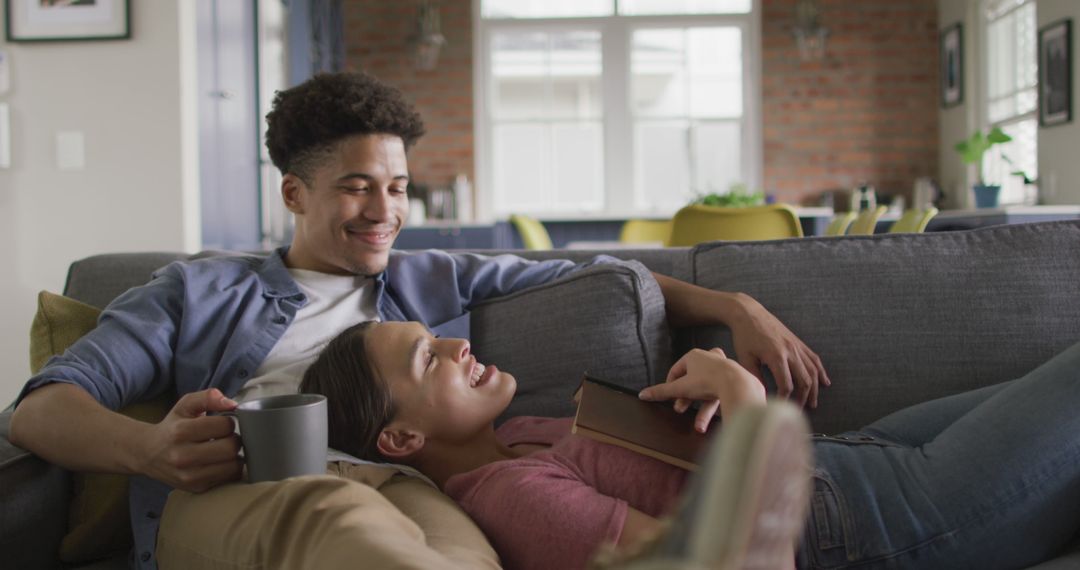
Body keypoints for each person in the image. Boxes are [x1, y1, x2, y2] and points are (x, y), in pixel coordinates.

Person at [8, 71, 829, 569]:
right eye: (359, 186)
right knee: (336, 514)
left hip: (406, 488)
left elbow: (602, 273)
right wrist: (150, 450)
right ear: (295, 193)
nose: (385, 212)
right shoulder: (198, 292)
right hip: (247, 496)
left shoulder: (432, 279)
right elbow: (43, 405)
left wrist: (735, 305)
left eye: (399, 188)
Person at [300, 320, 1080, 570]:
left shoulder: (518, 439)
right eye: (425, 359)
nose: (456, 344)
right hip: (867, 520)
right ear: (401, 437)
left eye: (437, 335)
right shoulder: (511, 499)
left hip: (851, 461)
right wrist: (742, 401)